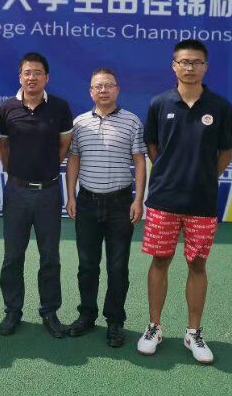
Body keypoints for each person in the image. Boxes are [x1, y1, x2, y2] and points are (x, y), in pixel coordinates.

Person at [137, 39, 232, 364]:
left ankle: (193, 332)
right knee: (160, 261)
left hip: (202, 202)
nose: (190, 67)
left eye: (196, 62)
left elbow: (225, 153)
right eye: (184, 62)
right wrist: (170, 174)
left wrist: (203, 177)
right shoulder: (159, 103)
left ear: (205, 67)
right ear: (173, 66)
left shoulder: (221, 107)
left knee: (197, 264)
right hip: (163, 200)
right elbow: (153, 147)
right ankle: (154, 327)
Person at [65, 68, 147, 348]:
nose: (103, 90)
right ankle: (87, 316)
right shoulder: (79, 123)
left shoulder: (132, 121)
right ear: (90, 92)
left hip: (120, 204)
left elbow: (139, 161)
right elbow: (73, 160)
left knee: (118, 267)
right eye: (97, 86)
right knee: (87, 265)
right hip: (86, 202)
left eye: (108, 85)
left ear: (117, 89)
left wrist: (138, 199)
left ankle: (115, 321)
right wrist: (71, 196)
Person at [0, 52, 73, 338]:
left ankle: (49, 311)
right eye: (27, 72)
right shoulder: (7, 108)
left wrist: (47, 168)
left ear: (46, 77)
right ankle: (12, 310)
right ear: (20, 77)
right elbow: (3, 148)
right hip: (16, 192)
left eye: (37, 73)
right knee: (12, 256)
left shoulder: (60, 107)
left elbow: (64, 145)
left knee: (50, 256)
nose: (32, 77)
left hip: (48, 193)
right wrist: (17, 173)